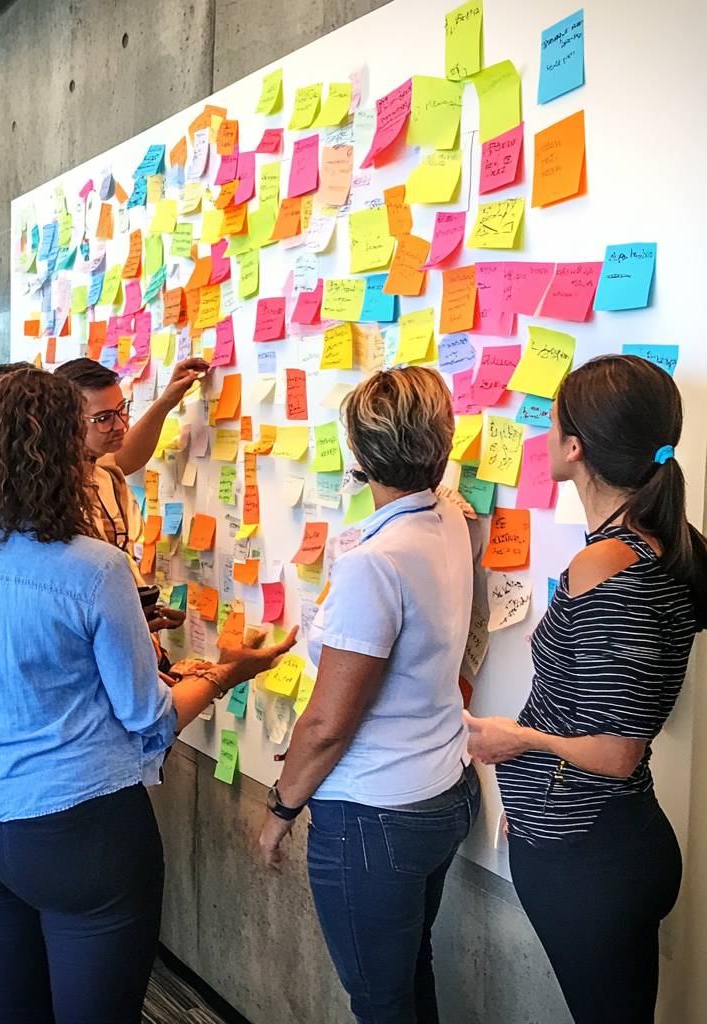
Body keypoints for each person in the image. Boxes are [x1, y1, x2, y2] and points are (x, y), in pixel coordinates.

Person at [0, 368, 296, 1024]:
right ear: (66, 452)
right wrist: (225, 673)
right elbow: (149, 720)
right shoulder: (91, 566)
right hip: (73, 829)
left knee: (17, 1006)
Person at [464, 355, 706, 1024]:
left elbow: (618, 750)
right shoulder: (670, 542)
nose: (541, 436)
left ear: (575, 448)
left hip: (592, 857)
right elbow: (587, 695)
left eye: (553, 423)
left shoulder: (606, 563)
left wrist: (518, 741)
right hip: (595, 840)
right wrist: (537, 795)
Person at [258, 366, 480, 1024]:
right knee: (408, 975)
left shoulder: (374, 562)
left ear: (358, 453)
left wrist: (280, 809)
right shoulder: (452, 520)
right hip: (445, 789)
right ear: (443, 438)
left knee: (382, 1001)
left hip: (377, 815)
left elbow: (329, 722)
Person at [54, 356, 208, 580]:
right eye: (104, 418)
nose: (120, 425)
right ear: (68, 422)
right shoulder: (53, 489)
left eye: (122, 409)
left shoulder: (101, 466)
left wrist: (166, 401)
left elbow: (128, 455)